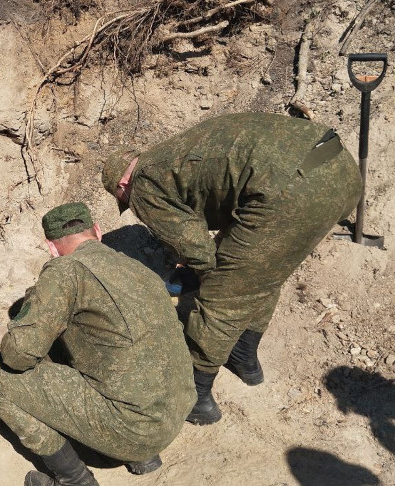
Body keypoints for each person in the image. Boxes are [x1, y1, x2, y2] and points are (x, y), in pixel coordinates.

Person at [100, 112, 363, 425]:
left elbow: (197, 249)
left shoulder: (143, 182)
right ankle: (243, 354)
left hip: (291, 190)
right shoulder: (174, 154)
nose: (131, 204)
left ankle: (195, 395)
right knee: (262, 273)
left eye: (123, 199)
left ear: (122, 183)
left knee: (227, 293)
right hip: (337, 168)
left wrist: (213, 280)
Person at [0, 202, 195, 486]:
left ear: (51, 247)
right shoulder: (134, 266)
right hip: (175, 410)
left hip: (134, 429)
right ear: (97, 231)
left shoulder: (65, 271)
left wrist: (31, 309)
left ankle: (74, 479)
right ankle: (144, 457)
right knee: (96, 338)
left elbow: (18, 356)